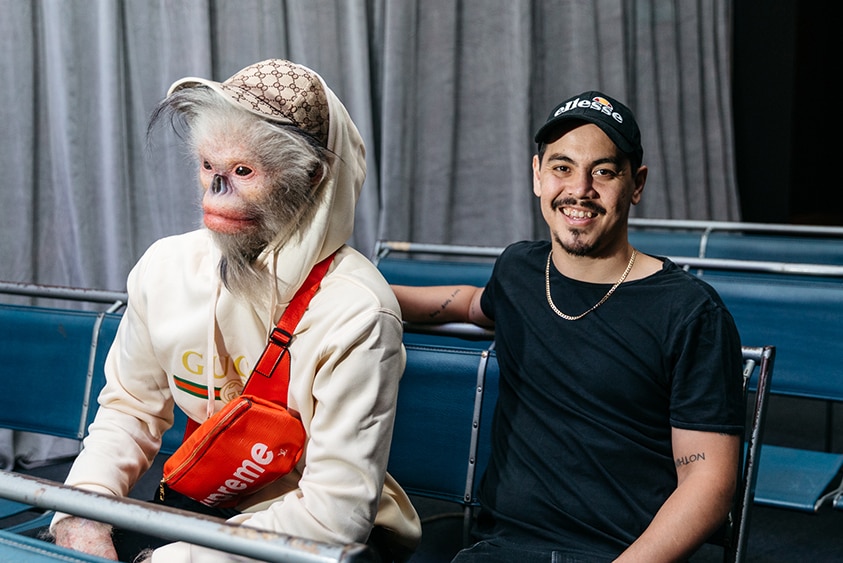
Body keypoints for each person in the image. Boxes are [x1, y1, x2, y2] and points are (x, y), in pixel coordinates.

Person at [50, 59, 420, 562]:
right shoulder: (165, 268)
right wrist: (81, 513)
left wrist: (171, 558)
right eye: (208, 167)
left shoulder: (357, 311)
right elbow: (130, 409)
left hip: (319, 535)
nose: (214, 192)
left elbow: (335, 515)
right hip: (205, 506)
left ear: (311, 179)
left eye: (243, 171)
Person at [392, 91, 744, 562]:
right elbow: (471, 304)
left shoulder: (689, 311)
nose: (580, 189)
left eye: (603, 171)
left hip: (619, 554)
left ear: (635, 184)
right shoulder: (519, 271)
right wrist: (349, 290)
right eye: (562, 167)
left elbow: (709, 484)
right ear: (537, 175)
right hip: (500, 547)